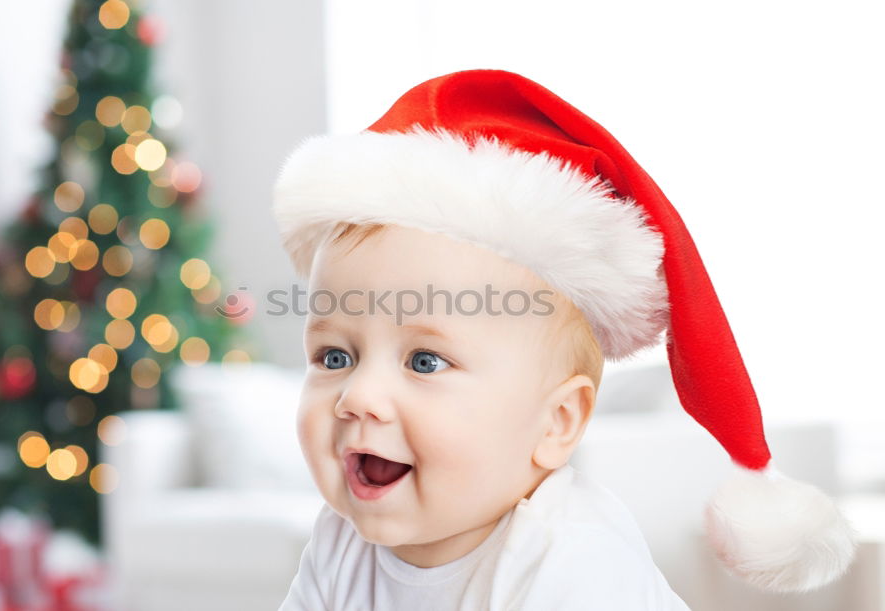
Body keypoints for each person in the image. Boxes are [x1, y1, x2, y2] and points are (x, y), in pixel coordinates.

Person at [269, 69, 855, 610]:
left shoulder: (572, 557)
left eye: (424, 360)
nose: (357, 396)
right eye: (335, 355)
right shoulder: (338, 543)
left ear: (556, 423)